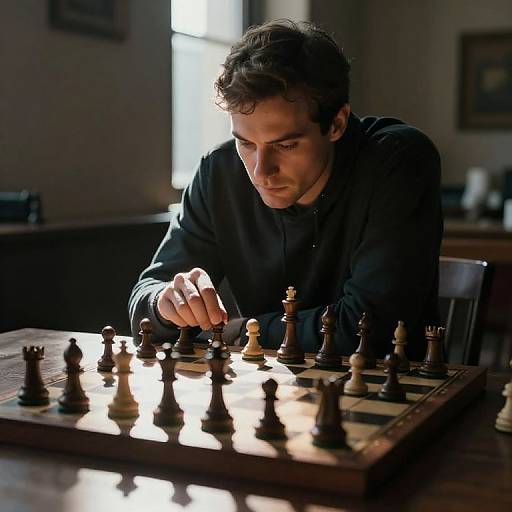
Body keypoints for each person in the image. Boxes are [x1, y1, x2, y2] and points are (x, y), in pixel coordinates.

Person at [128, 19, 442, 360]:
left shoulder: (397, 161)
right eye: (246, 143)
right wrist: (165, 305)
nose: (262, 171)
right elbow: (145, 299)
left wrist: (242, 330)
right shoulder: (218, 172)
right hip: (266, 391)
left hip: (387, 389)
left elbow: (371, 328)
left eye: (287, 145)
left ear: (336, 123)